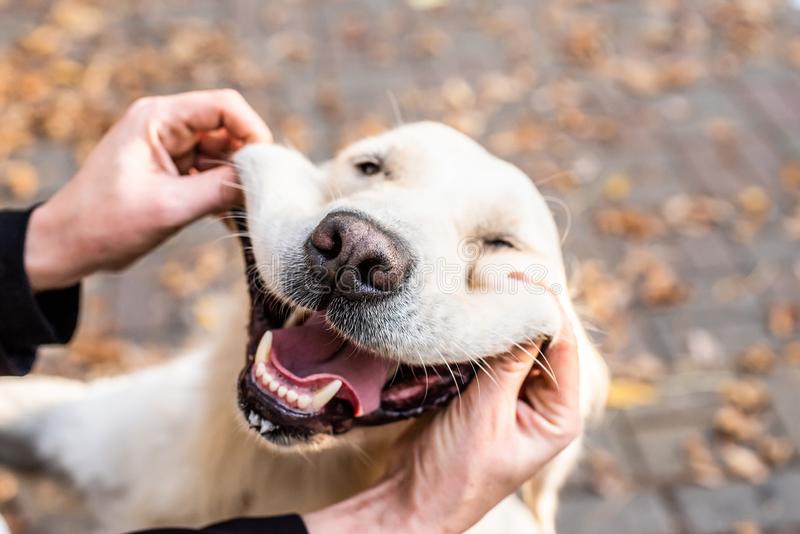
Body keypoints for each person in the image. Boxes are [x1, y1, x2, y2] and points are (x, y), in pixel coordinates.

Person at [0, 90, 580, 533]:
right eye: (372, 169)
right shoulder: (164, 410)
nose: (362, 246)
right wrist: (46, 242)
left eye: (499, 243)